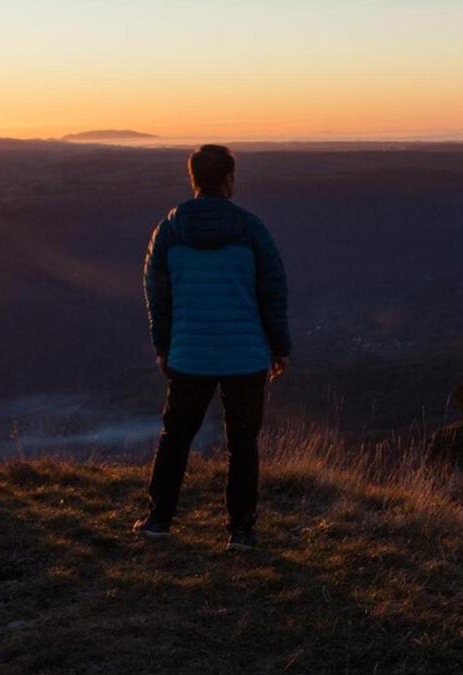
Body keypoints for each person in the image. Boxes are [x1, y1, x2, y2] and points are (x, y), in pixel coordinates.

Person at [133, 144, 290, 551]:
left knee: (176, 436)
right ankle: (240, 531)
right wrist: (279, 347)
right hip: (246, 356)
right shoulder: (252, 229)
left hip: (190, 354)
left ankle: (159, 520)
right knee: (242, 444)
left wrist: (163, 345)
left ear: (194, 180)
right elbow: (272, 292)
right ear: (228, 180)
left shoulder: (169, 229)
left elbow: (157, 292)